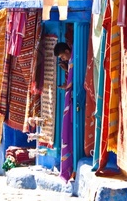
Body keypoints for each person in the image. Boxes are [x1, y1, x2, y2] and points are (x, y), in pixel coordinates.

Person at [53, 41, 75, 182]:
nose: (63, 59)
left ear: (67, 51)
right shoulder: (72, 59)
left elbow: (77, 77)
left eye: (62, 56)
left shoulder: (75, 57)